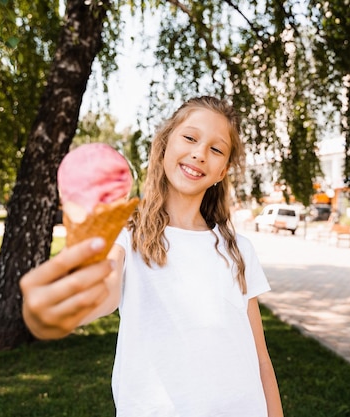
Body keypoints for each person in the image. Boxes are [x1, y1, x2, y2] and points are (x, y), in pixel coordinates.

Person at [20, 96, 284, 417]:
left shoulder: (239, 249)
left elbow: (260, 358)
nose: (200, 153)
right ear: (163, 147)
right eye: (189, 138)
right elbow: (101, 294)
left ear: (222, 171)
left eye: (216, 149)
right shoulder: (127, 237)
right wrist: (53, 313)